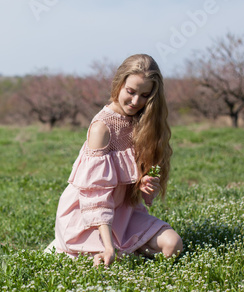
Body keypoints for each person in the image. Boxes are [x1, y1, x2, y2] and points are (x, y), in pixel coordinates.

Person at [46, 54, 183, 267]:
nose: (136, 101)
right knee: (107, 260)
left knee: (173, 245)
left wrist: (143, 183)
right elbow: (96, 194)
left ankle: (123, 251)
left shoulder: (144, 121)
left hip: (126, 212)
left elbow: (133, 177)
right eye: (131, 92)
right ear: (119, 84)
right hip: (90, 217)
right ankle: (111, 250)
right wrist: (108, 245)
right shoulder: (102, 128)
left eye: (145, 95)